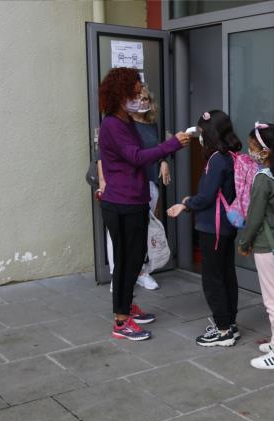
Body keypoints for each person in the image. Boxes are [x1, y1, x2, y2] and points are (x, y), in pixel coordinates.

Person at [97, 67, 189, 341]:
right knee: (127, 260)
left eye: (140, 93)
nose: (139, 98)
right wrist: (171, 145)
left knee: (135, 258)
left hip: (133, 200)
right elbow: (136, 157)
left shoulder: (126, 122)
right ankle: (121, 321)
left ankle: (126, 307)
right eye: (135, 94)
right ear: (120, 94)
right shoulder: (112, 124)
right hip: (121, 203)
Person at [168, 110, 241, 347]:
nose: (199, 136)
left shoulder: (217, 160)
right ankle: (229, 323)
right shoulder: (231, 156)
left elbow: (207, 197)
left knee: (213, 278)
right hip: (227, 225)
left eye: (201, 131)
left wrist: (186, 204)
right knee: (227, 274)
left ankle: (222, 330)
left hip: (214, 227)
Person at [238, 122, 274, 369]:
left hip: (268, 245)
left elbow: (254, 217)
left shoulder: (263, 179)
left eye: (252, 147)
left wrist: (245, 242)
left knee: (273, 302)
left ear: (265, 151)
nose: (250, 151)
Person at [102, 85, 171, 291]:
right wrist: (105, 183)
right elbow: (103, 158)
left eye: (145, 98)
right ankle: (118, 274)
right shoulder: (119, 125)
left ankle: (140, 271)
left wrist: (164, 161)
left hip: (148, 184)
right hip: (123, 189)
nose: (142, 102)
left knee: (142, 231)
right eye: (138, 98)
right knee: (118, 234)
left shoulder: (153, 126)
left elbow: (156, 151)